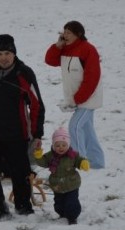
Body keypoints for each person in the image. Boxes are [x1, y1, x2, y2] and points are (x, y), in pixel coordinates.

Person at [0, 34, 46, 220]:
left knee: (20, 172)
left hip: (17, 133)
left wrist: (37, 134)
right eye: (0, 53)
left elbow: (36, 104)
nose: (4, 57)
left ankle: (23, 207)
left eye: (7, 53)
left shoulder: (24, 74)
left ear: (14, 53)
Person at [44, 20, 105, 168]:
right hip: (76, 99)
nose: (65, 35)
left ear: (79, 34)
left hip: (88, 99)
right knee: (87, 129)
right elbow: (50, 60)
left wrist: (78, 99)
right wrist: (57, 46)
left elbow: (92, 77)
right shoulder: (65, 49)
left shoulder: (88, 50)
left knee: (75, 126)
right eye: (64, 32)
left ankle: (79, 163)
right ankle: (97, 162)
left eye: (69, 33)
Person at [33, 126, 89, 225]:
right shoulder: (50, 156)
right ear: (53, 146)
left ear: (68, 144)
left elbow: (78, 160)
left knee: (72, 203)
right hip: (57, 186)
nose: (61, 148)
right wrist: (38, 155)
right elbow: (43, 162)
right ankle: (62, 214)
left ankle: (72, 217)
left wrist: (83, 163)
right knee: (59, 204)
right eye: (57, 145)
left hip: (72, 184)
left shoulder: (72, 155)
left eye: (64, 145)